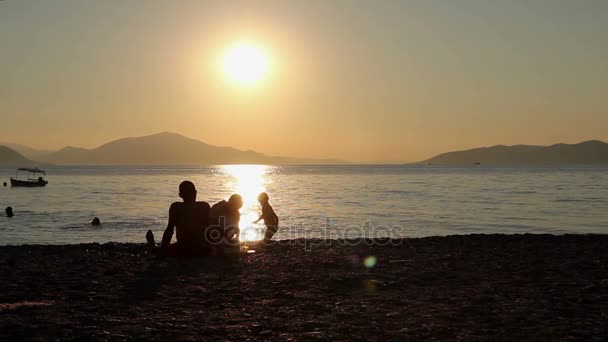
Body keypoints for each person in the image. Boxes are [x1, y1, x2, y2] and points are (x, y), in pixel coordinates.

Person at [149, 181, 211, 257]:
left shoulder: (203, 207)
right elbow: (169, 230)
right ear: (181, 195)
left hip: (196, 247)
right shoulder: (177, 207)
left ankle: (154, 246)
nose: (191, 195)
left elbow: (211, 228)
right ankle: (154, 246)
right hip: (186, 247)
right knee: (162, 250)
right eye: (189, 192)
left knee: (161, 250)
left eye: (192, 192)